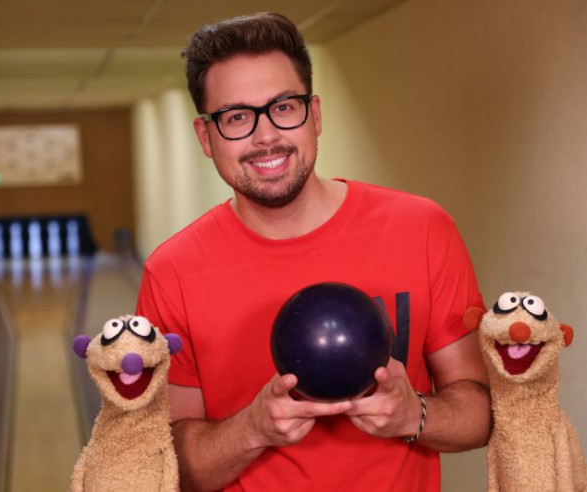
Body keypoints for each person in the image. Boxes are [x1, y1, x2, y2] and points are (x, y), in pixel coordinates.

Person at [135, 11, 490, 491]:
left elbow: (479, 412)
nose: (265, 136)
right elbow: (169, 465)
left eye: (284, 107)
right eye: (236, 117)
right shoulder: (172, 272)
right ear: (206, 137)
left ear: (315, 115)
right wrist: (253, 429)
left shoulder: (423, 228)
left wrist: (413, 413)